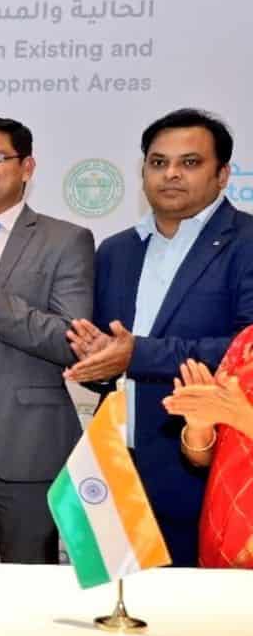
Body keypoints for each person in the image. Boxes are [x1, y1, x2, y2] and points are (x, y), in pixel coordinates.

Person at [66, 108, 253, 565]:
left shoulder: (247, 242)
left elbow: (244, 351)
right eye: (158, 162)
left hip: (206, 461)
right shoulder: (116, 250)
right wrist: (96, 359)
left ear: (223, 174)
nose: (170, 173)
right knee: (116, 601)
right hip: (118, 465)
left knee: (201, 607)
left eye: (190, 162)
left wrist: (137, 354)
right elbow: (113, 354)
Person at [0, 115, 94, 563]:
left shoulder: (66, 240)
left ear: (27, 167)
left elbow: (71, 339)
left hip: (27, 443)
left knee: (30, 581)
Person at [162, 340, 253, 567]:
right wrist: (199, 427)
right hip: (220, 528)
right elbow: (206, 459)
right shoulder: (246, 340)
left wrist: (242, 418)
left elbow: (238, 417)